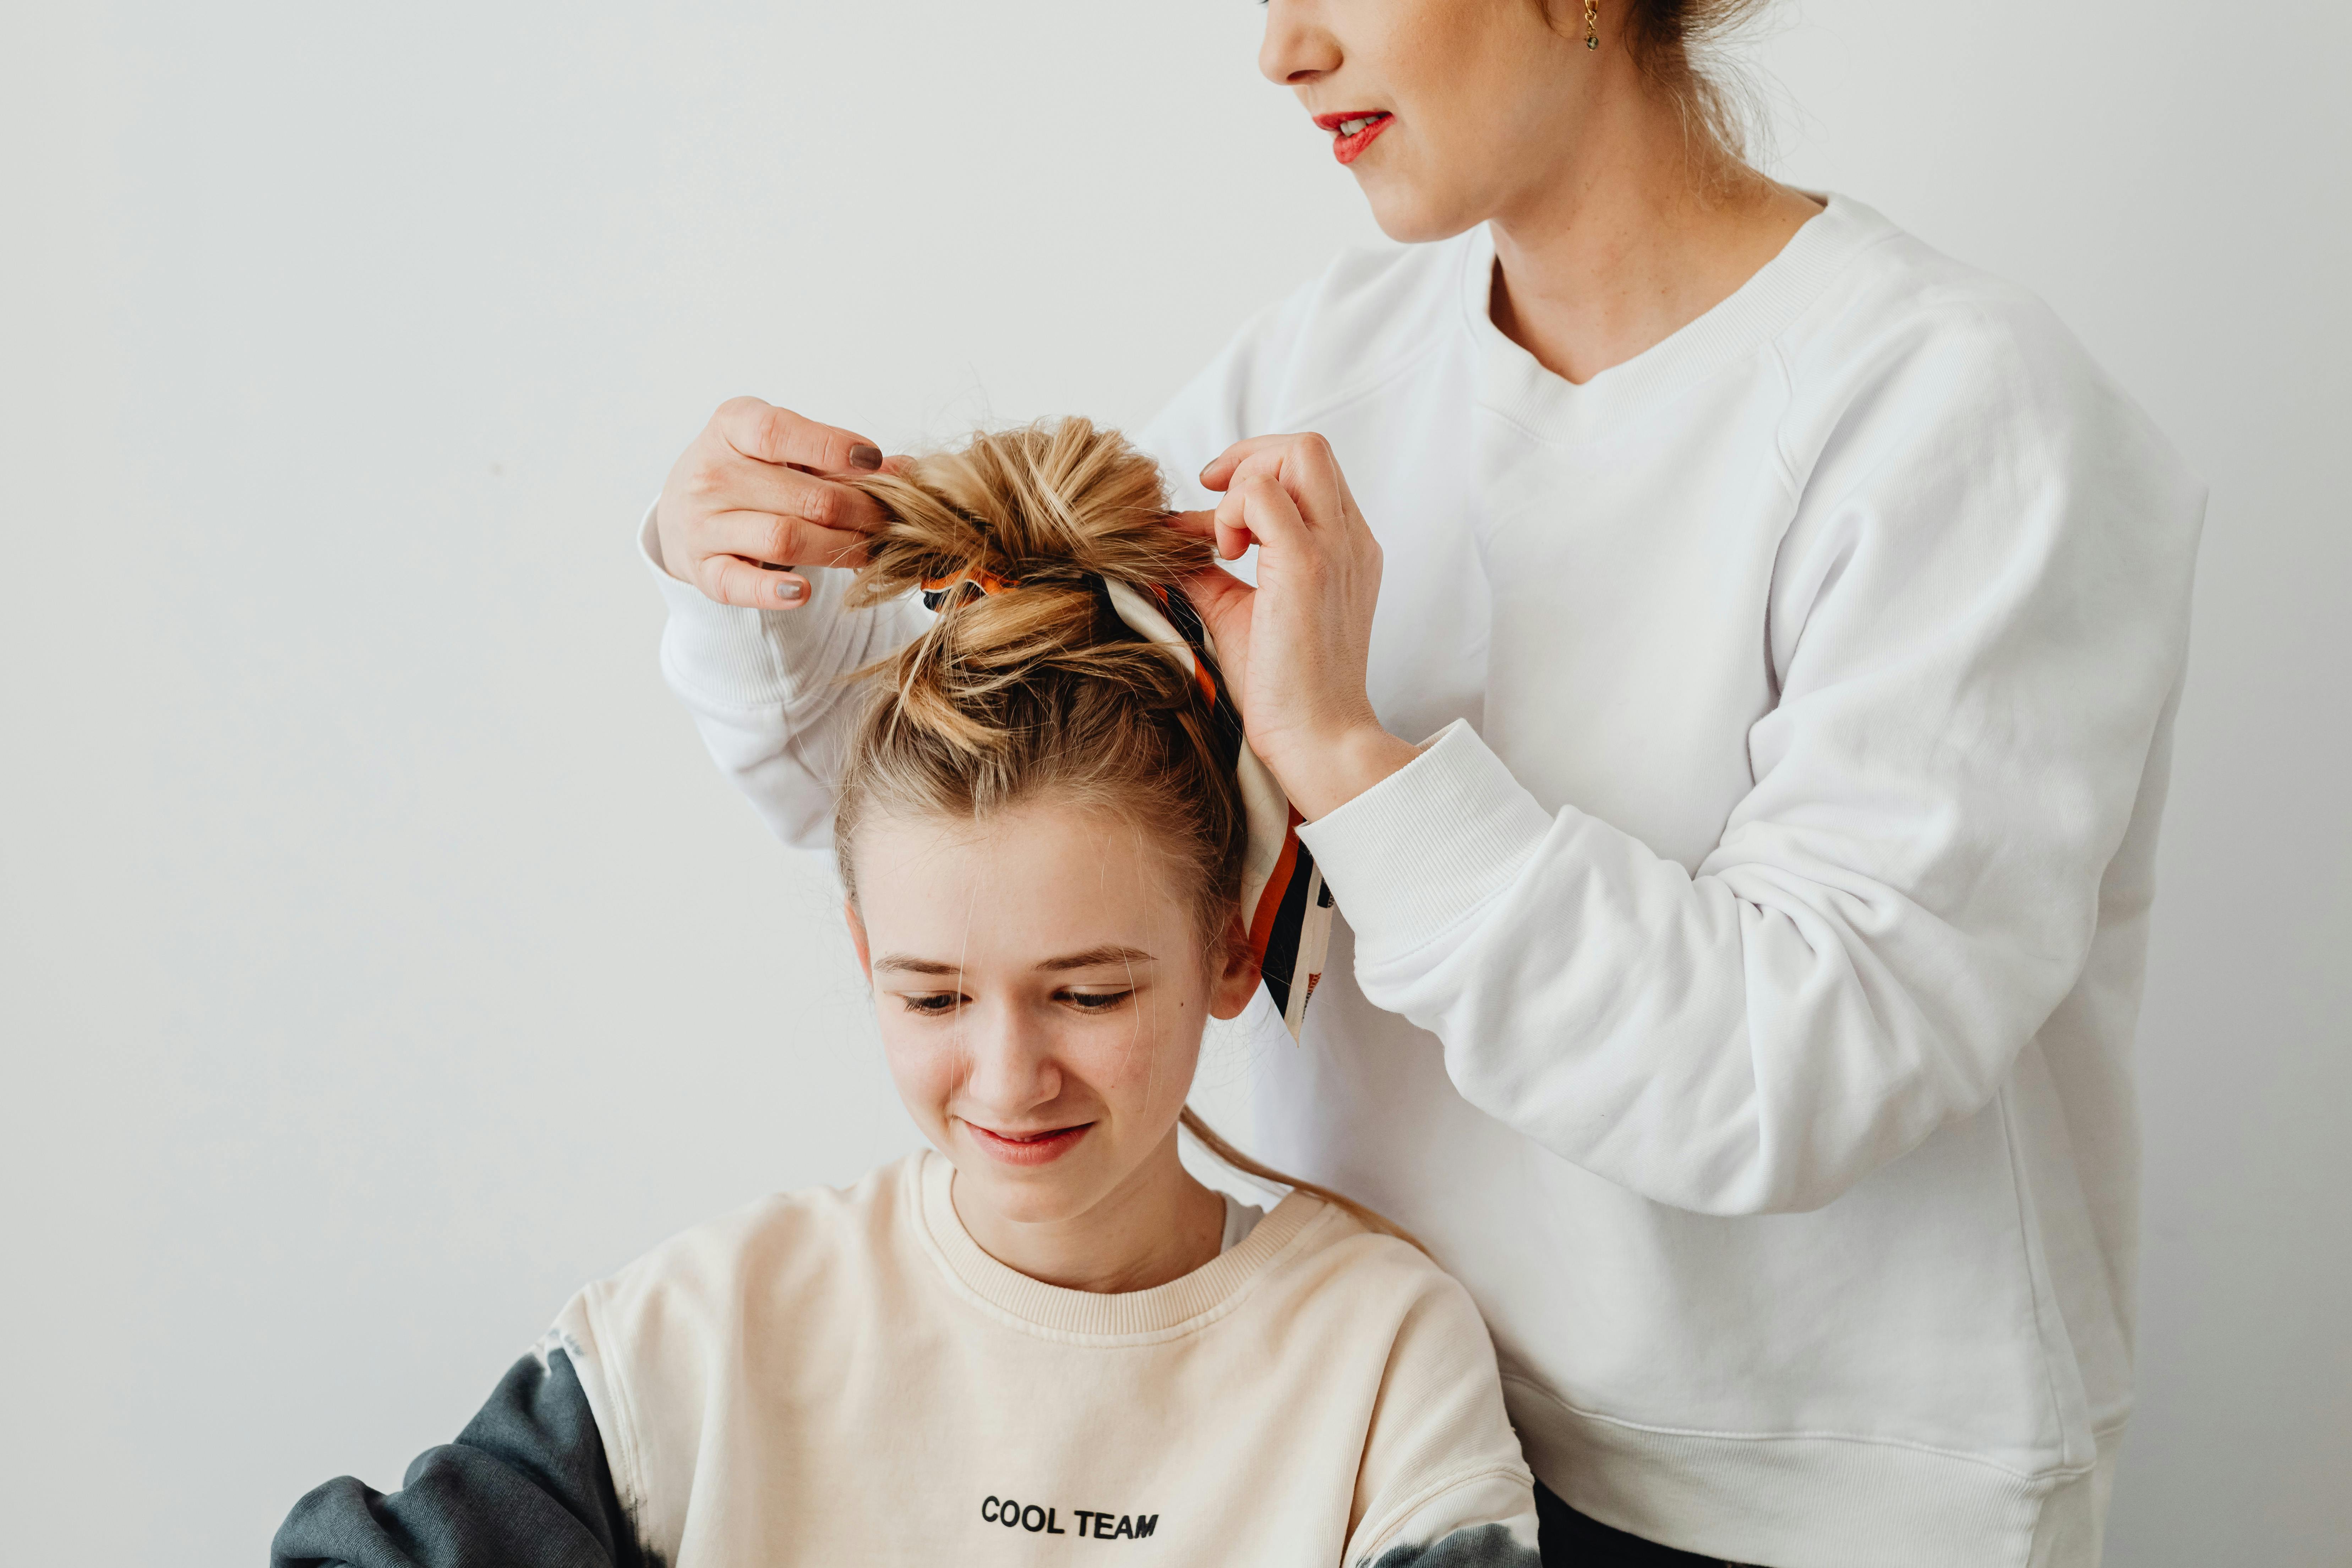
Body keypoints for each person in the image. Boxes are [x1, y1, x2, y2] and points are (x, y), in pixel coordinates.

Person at [641, 3, 2205, 1564]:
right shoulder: (1337, 360)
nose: (1282, 49)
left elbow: (1794, 1072)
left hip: (1796, 1509)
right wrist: (747, 587)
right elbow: (996, 839)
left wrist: (1343, 755)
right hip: (1383, 1448)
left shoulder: (1957, 411)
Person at [271, 422, 1544, 1568]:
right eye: (933, 999)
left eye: (1088, 994)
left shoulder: (1379, 1359)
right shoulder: (712, 1330)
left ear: (1226, 950)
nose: (1005, 1076)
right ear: (860, 948)